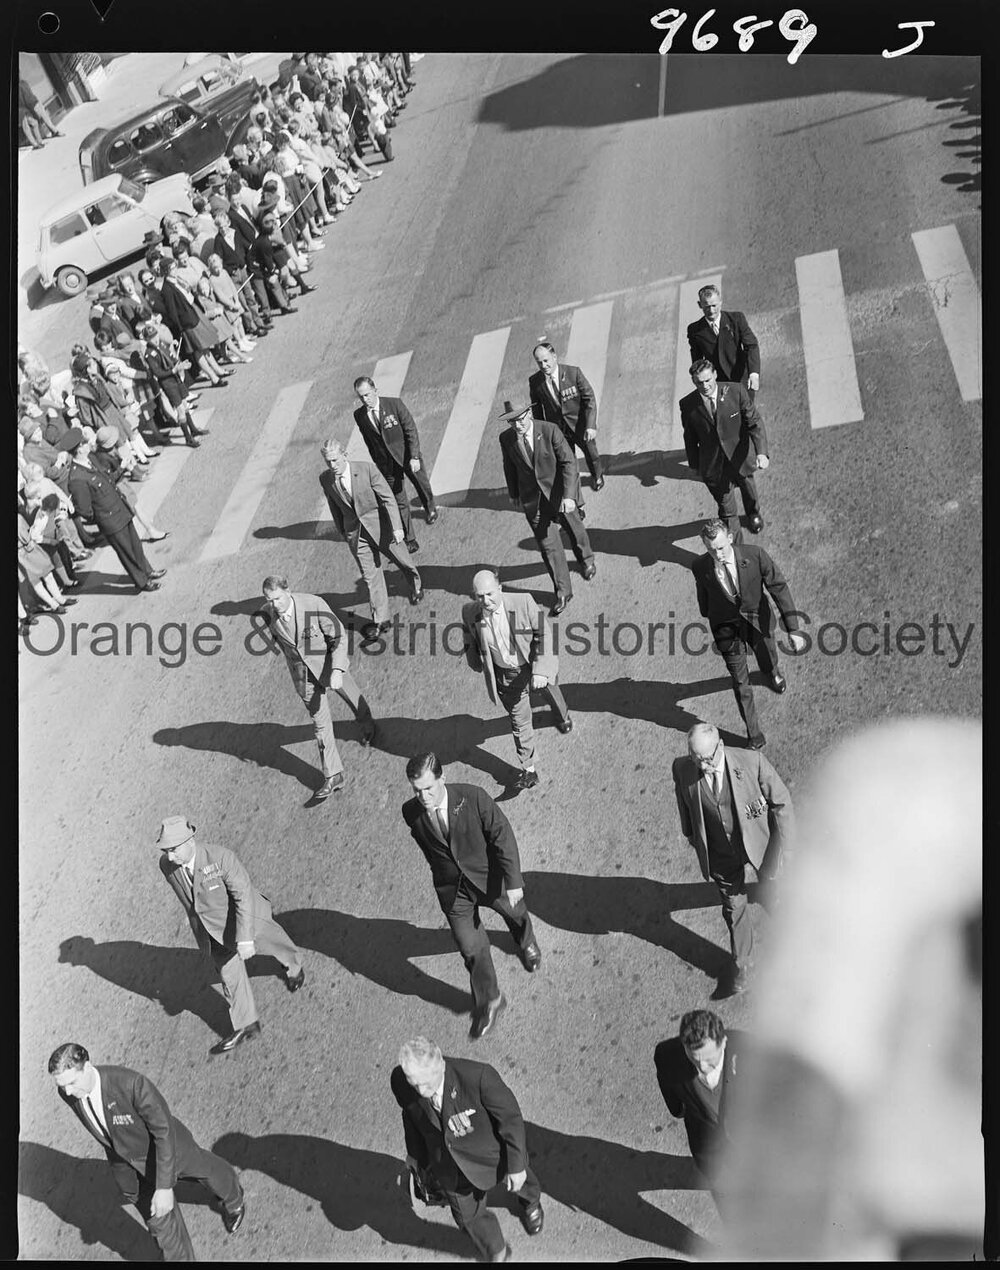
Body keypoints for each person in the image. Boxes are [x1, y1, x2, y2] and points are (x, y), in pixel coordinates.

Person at [49, 1042, 246, 1259]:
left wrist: (163, 1187)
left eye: (71, 1083)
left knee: (207, 1170)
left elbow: (163, 1130)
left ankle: (234, 1200)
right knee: (162, 1227)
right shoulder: (67, 1092)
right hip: (130, 1171)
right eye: (62, 1085)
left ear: (87, 1067)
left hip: (168, 1149)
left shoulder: (130, 1084)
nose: (67, 1091)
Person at [402, 753, 542, 1038]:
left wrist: (513, 880)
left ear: (442, 779)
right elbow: (429, 849)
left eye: (429, 788)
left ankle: (525, 940)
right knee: (471, 949)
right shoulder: (410, 812)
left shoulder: (472, 798)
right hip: (454, 893)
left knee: (515, 912)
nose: (423, 797)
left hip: (488, 877)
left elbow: (502, 834)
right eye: (417, 791)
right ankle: (490, 999)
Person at [156, 815, 305, 1055]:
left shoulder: (221, 858)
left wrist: (245, 938)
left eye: (173, 850)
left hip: (247, 921)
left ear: (189, 841)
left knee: (275, 944)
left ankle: (294, 966)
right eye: (166, 850)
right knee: (229, 972)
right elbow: (188, 900)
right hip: (212, 932)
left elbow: (243, 894)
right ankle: (247, 1023)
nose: (169, 856)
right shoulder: (167, 865)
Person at [391, 1037, 544, 1260]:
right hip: (448, 1168)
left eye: (426, 1082)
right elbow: (411, 1117)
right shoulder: (401, 1081)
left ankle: (531, 1201)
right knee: (468, 1218)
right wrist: (415, 1155)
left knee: (522, 1182)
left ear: (441, 1065)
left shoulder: (478, 1077)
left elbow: (510, 1119)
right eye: (415, 1083)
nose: (422, 1091)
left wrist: (517, 1167)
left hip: (491, 1157)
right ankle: (497, 1251)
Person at [672, 722, 794, 994]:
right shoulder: (682, 768)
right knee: (733, 908)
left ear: (720, 747)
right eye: (695, 758)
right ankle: (745, 966)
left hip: (759, 845)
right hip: (721, 855)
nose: (701, 765)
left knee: (771, 882)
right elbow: (685, 803)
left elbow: (782, 802)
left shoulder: (752, 762)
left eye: (705, 758)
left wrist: (789, 850)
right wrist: (691, 834)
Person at [258, 575, 376, 799]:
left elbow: (338, 636)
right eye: (269, 599)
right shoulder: (267, 612)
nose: (274, 605)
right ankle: (333, 775)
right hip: (303, 678)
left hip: (329, 666)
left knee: (352, 697)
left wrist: (338, 670)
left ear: (288, 591)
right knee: (320, 726)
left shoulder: (313, 604)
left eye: (277, 598)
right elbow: (282, 643)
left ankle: (367, 721)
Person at [692, 519, 806, 750]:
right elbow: (703, 598)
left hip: (757, 621)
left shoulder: (755, 556)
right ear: (705, 547)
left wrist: (793, 628)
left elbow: (778, 587)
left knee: (768, 655)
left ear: (731, 539)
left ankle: (771, 672)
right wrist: (710, 613)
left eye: (721, 547)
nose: (718, 554)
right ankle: (753, 733)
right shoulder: (700, 566)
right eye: (712, 550)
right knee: (740, 682)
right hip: (726, 631)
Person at [461, 568, 572, 791]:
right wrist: (474, 661)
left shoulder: (523, 603)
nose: (486, 600)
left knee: (550, 690)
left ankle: (563, 715)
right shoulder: (469, 612)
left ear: (500, 589)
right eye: (480, 596)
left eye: (490, 594)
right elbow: (469, 637)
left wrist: (541, 670)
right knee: (519, 722)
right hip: (506, 676)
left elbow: (543, 633)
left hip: (532, 665)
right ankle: (529, 769)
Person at [318, 438, 423, 640]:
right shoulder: (326, 479)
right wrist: (343, 531)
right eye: (328, 462)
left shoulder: (367, 470)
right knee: (371, 576)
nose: (332, 466)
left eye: (335, 460)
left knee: (402, 561)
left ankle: (416, 585)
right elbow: (334, 506)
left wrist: (397, 527)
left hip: (381, 527)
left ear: (344, 455)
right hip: (356, 534)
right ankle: (381, 619)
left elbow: (387, 498)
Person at [497, 400, 595, 615]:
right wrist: (514, 492)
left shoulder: (549, 431)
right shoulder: (506, 439)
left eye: (520, 419)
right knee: (549, 548)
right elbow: (509, 466)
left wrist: (570, 496)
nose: (517, 425)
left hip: (560, 496)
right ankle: (562, 591)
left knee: (574, 531)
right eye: (511, 422)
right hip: (534, 502)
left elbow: (569, 463)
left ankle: (586, 559)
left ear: (529, 414)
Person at [654, 1009, 747, 1204]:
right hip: (709, 1148)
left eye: (709, 1059)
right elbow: (665, 1080)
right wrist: (677, 1109)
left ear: (723, 1042)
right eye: (694, 1058)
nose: (702, 1067)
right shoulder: (667, 1055)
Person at [65, 428, 166, 593]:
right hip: (109, 519)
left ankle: (148, 571)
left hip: (120, 507)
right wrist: (101, 517)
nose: (88, 443)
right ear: (79, 449)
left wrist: (121, 469)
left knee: (135, 544)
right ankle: (141, 581)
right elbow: (84, 510)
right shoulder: (76, 479)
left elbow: (108, 479)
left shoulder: (90, 459)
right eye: (85, 442)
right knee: (126, 551)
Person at [680, 360, 769, 537]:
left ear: (715, 375)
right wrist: (695, 466)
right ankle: (737, 550)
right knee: (727, 512)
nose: (704, 386)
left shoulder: (736, 391)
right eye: (699, 382)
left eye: (707, 380)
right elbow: (690, 438)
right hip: (715, 466)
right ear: (694, 382)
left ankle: (753, 513)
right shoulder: (687, 405)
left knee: (748, 488)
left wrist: (761, 452)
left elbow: (754, 422)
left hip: (739, 457)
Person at [352, 376, 438, 551]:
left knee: (421, 484)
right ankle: (410, 538)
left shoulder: (394, 404)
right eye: (360, 397)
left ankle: (430, 507)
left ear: (376, 391)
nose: (364, 400)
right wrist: (378, 462)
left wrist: (414, 456)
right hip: (387, 465)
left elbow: (410, 429)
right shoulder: (359, 415)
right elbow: (369, 442)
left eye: (367, 395)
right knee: (399, 500)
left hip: (407, 456)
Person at [528, 341, 604, 490]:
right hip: (558, 431)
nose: (543, 366)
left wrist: (590, 425)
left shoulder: (573, 373)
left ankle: (597, 475)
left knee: (591, 454)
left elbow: (589, 399)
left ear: (554, 357)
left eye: (546, 361)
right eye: (539, 363)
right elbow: (537, 409)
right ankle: (573, 491)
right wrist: (542, 434)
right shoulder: (535, 381)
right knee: (568, 463)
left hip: (580, 426)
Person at [686, 285, 761, 396]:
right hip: (718, 386)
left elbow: (751, 345)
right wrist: (702, 383)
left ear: (720, 302)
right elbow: (697, 360)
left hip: (742, 380)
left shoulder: (736, 319)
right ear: (699, 305)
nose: (711, 311)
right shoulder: (694, 330)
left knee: (748, 413)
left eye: (714, 305)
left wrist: (754, 374)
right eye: (706, 307)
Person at [19, 78, 63, 149]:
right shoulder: (21, 85)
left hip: (30, 105)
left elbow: (29, 96)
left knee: (35, 122)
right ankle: (35, 144)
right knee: (28, 125)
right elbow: (25, 100)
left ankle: (39, 142)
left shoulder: (23, 83)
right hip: (24, 109)